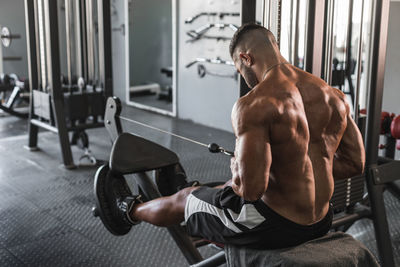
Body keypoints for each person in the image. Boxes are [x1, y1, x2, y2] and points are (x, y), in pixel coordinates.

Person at [96, 23, 365, 249]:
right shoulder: (333, 96)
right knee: (224, 188)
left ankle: (128, 211)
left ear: (246, 58)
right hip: (321, 220)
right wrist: (294, 171)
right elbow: (355, 164)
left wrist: (238, 166)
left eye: (239, 69)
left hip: (272, 227)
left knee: (186, 198)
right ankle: (195, 196)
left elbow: (250, 190)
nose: (244, 76)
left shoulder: (255, 104)